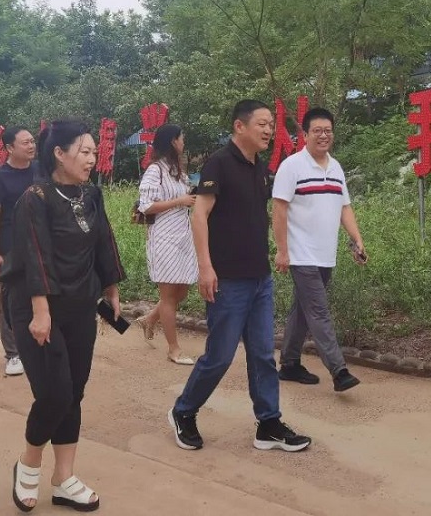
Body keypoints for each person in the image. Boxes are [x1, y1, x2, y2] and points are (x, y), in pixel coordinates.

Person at [169, 100, 312, 453]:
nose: (268, 130)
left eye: (271, 124)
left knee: (263, 355)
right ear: (239, 126)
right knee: (219, 355)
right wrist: (205, 267)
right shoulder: (219, 163)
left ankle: (269, 424)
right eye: (262, 123)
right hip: (227, 280)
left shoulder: (259, 168)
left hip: (259, 278)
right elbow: (199, 215)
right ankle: (183, 411)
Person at [2, 119, 125, 512]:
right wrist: (41, 312)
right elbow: (35, 255)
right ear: (59, 153)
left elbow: (104, 240)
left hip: (79, 304)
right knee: (55, 393)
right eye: (84, 151)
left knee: (74, 392)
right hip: (37, 306)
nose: (91, 159)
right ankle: (29, 464)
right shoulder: (35, 198)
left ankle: (64, 479)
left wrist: (111, 287)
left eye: (93, 152)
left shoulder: (91, 194)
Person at [272, 107, 365, 392]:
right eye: (317, 131)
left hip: (326, 254)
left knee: (303, 309)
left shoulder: (335, 167)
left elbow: (344, 207)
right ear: (305, 134)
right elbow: (279, 209)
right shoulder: (291, 166)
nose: (323, 136)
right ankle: (339, 371)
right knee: (318, 311)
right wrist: (282, 250)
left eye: (327, 131)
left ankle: (289, 363)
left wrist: (357, 239)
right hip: (301, 254)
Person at [134, 124, 198, 365]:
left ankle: (150, 319)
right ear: (173, 141)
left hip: (183, 237)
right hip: (164, 238)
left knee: (181, 291)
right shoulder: (155, 170)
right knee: (169, 295)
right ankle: (173, 349)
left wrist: (189, 196)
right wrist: (179, 200)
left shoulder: (177, 170)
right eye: (181, 138)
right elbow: (146, 206)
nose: (184, 142)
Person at [0, 126, 37, 377]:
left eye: (32, 141)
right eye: (25, 142)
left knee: (39, 294)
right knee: (10, 299)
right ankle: (13, 353)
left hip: (40, 245)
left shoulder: (40, 171)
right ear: (9, 148)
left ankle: (36, 345)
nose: (31, 145)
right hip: (10, 247)